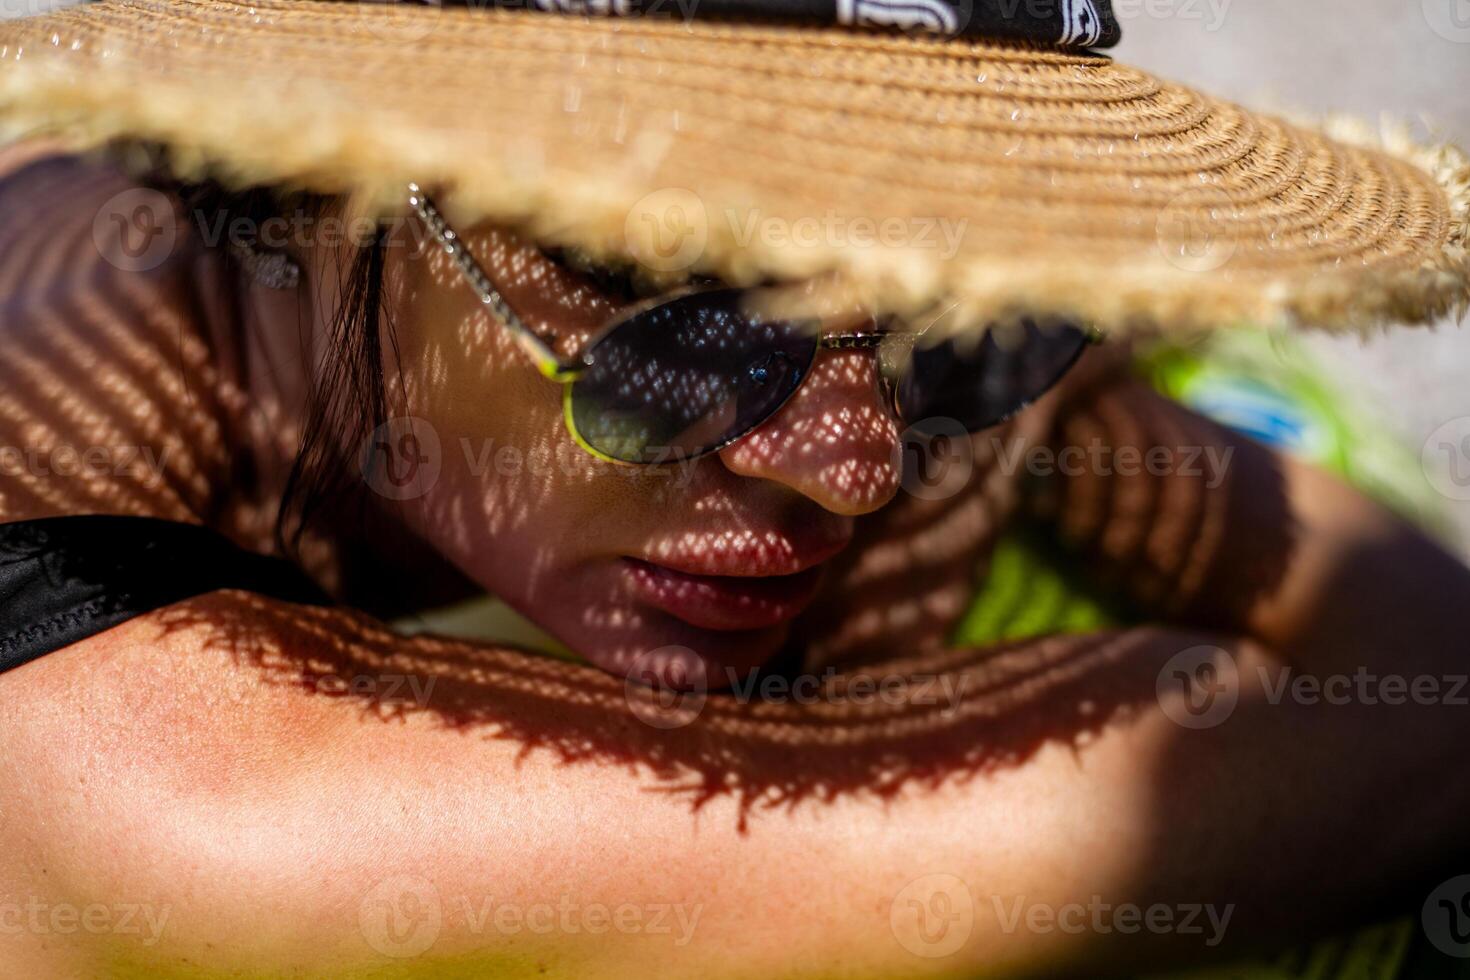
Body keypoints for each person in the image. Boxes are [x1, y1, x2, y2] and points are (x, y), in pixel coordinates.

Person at [1, 1, 1468, 976]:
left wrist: (1023, 362)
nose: (856, 465)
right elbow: (1415, 726)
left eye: (947, 283)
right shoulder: (166, 774)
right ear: (325, 181)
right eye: (675, 286)